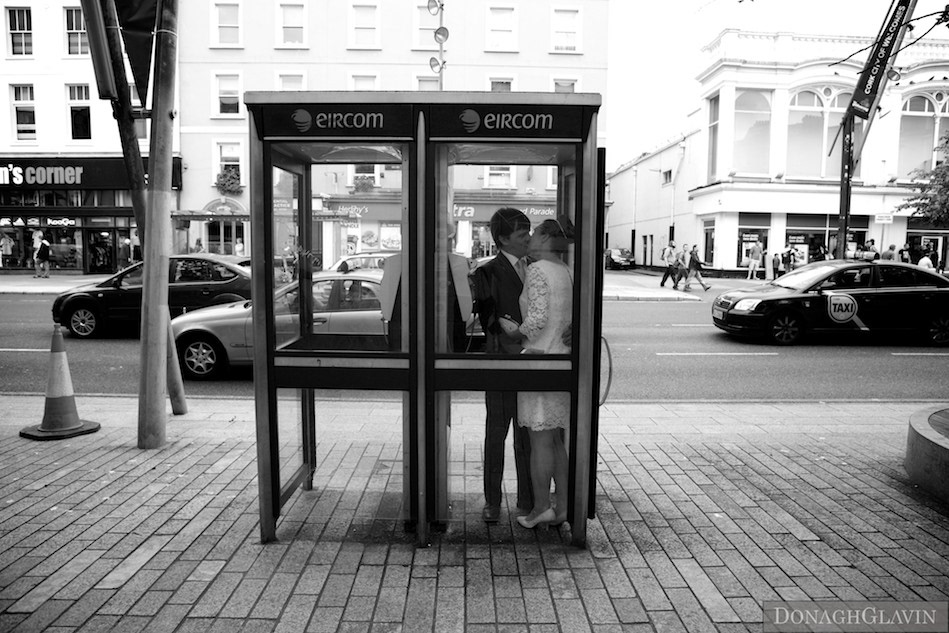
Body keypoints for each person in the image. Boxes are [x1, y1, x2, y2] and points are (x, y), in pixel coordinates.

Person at [498, 219, 573, 529]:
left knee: (539, 440)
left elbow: (538, 319)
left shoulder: (539, 270)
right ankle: (565, 506)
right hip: (562, 360)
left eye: (535, 233)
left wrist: (516, 333)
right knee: (556, 440)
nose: (529, 238)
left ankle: (542, 506)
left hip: (539, 359)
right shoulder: (565, 270)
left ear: (545, 238)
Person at [469, 207, 534, 523]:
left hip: (531, 367)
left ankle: (527, 499)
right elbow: (490, 320)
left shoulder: (536, 267)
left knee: (527, 436)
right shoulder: (487, 272)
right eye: (523, 236)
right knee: (496, 435)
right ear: (503, 238)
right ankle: (492, 501)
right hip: (500, 365)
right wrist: (518, 339)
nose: (529, 240)